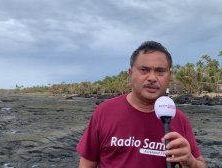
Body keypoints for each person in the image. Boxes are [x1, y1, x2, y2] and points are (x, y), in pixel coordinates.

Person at [76, 41, 207, 168]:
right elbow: (87, 163)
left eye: (160, 71)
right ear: (130, 73)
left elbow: (199, 164)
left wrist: (190, 162)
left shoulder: (179, 119)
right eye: (144, 70)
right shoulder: (104, 112)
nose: (152, 78)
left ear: (169, 75)